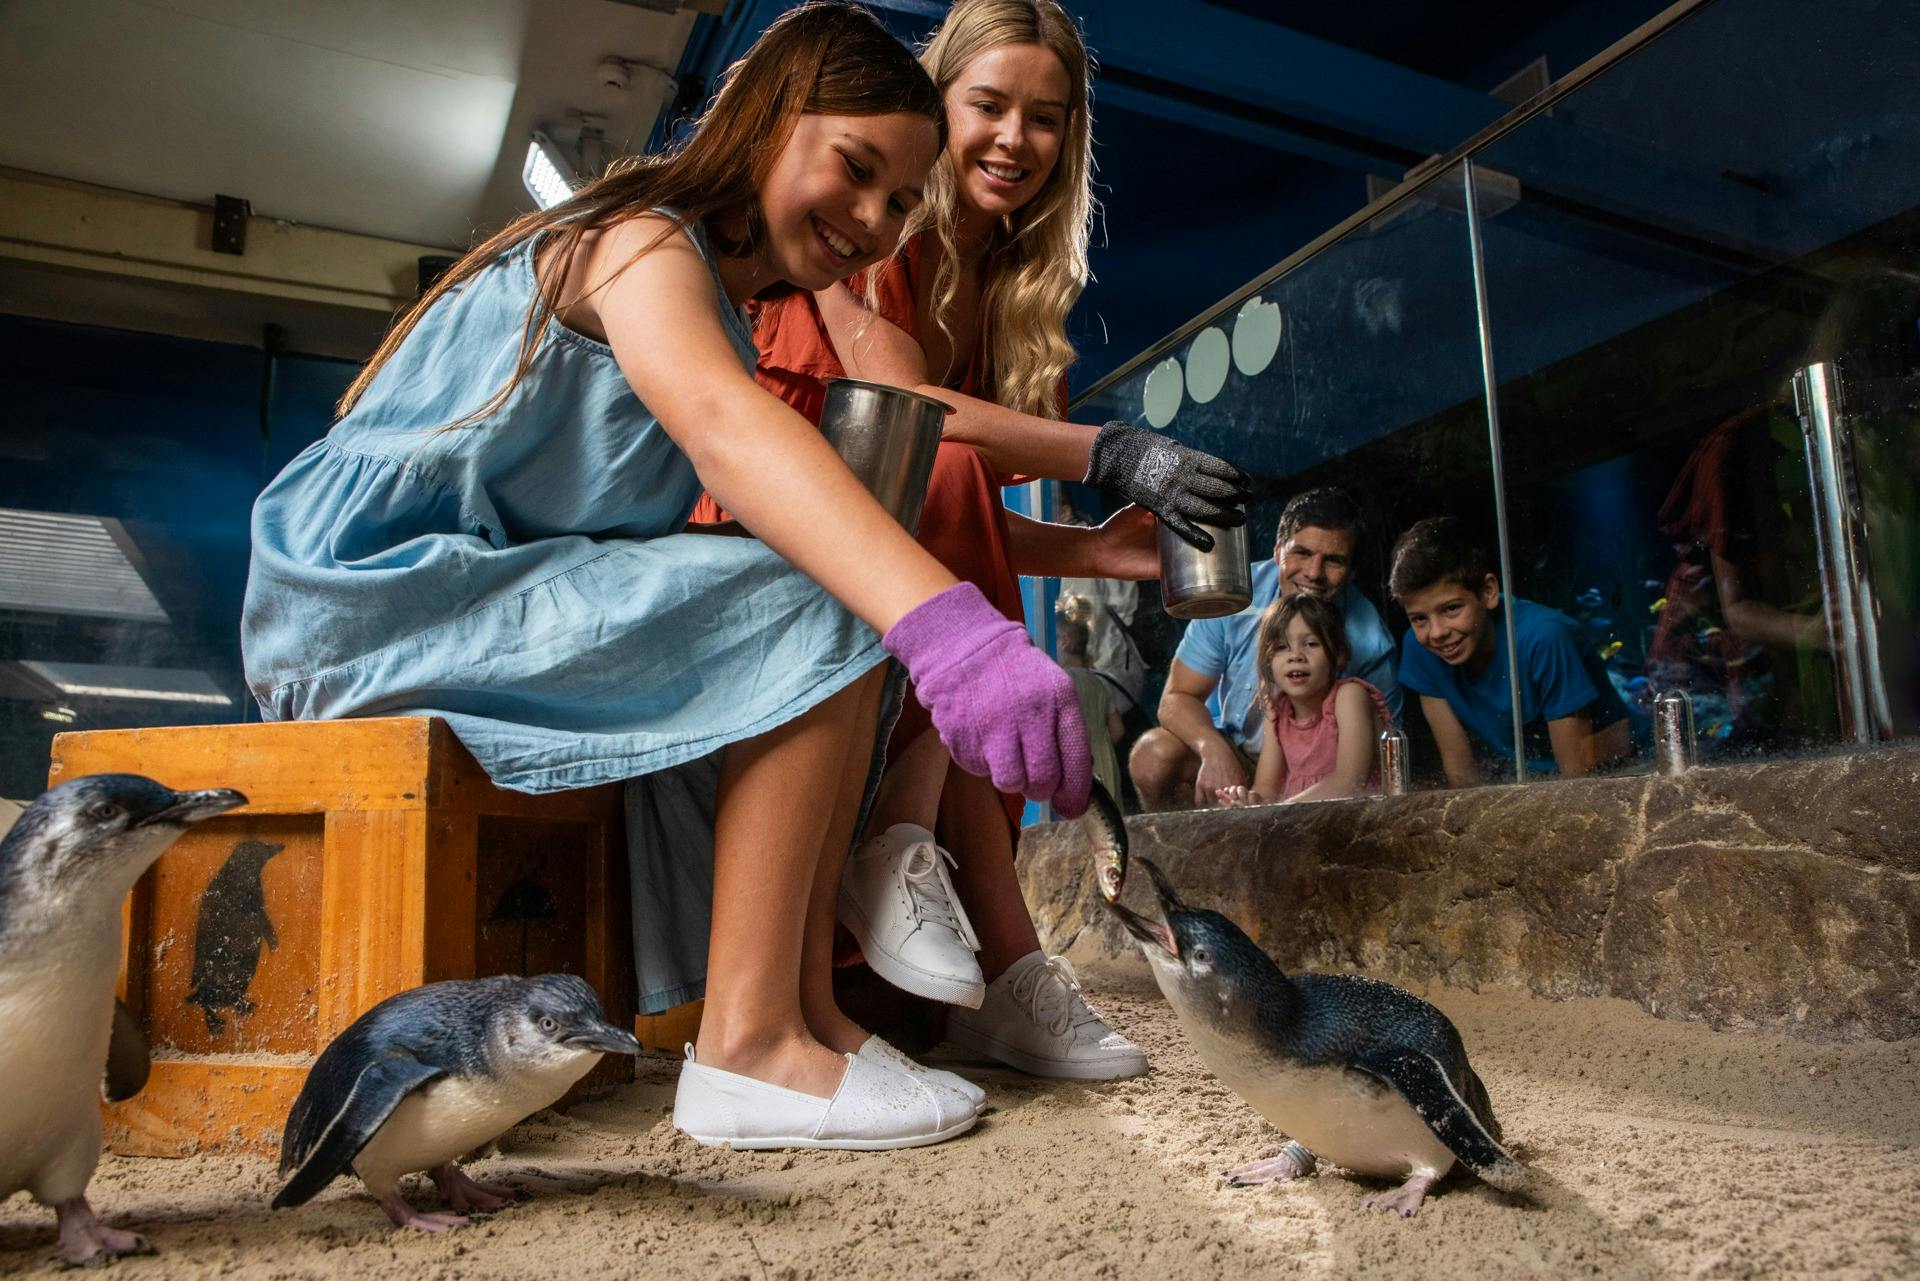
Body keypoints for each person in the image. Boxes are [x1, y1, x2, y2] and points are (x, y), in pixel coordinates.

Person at [241, 3, 1088, 1153]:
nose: (875, 222)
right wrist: (952, 630)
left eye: (901, 202)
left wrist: (1070, 555)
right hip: (369, 601)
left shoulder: (723, 302)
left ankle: (810, 1022)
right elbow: (726, 431)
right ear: (774, 116)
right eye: (854, 169)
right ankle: (748, 1047)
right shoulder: (641, 240)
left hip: (466, 596)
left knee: (806, 584)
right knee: (816, 593)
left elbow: (781, 502)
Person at [693, 0, 1247, 1080]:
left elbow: (928, 503)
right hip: (764, 524)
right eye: (987, 104)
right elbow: (902, 422)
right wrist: (1111, 453)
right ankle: (995, 943)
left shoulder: (1016, 283)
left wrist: (1093, 554)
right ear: (932, 104)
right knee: (936, 453)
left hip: (881, 537)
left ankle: (949, 907)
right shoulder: (873, 224)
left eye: (1046, 118)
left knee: (944, 478)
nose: (1013, 139)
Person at [1130, 486, 1400, 811]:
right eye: (1301, 553)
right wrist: (1214, 750)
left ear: (1352, 572)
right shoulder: (1235, 598)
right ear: (1278, 551)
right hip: (1249, 760)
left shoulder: (1371, 645)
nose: (1313, 573)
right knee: (1152, 758)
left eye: (1333, 561)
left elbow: (1385, 760)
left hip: (1324, 774)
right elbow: (1175, 699)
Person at [1390, 516, 1630, 786]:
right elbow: (1461, 774)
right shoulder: (1419, 647)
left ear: (1489, 591)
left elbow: (1576, 778)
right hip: (1535, 778)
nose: (1436, 632)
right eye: (1419, 618)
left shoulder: (1544, 639)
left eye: (1451, 609)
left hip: (1621, 770)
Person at [1218, 593, 1389, 806]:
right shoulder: (1277, 711)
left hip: (1356, 819)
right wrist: (1249, 802)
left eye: (1310, 643)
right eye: (1281, 647)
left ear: (1338, 654)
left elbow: (1350, 782)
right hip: (1299, 822)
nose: (1295, 655)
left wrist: (1281, 811)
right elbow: (1267, 788)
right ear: (1267, 661)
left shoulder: (1349, 696)